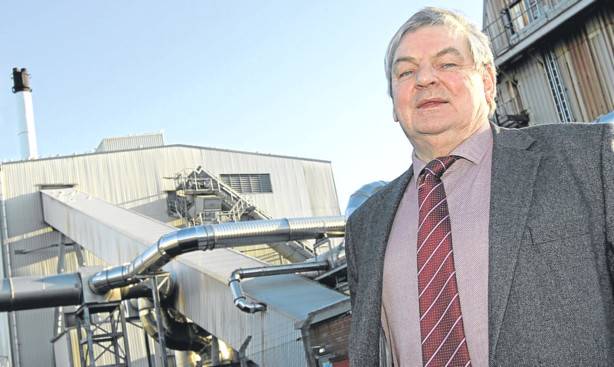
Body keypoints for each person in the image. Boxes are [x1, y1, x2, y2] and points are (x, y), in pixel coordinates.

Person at [345, 7, 614, 367]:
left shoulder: (588, 159)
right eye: (406, 71)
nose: (424, 79)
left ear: (487, 82)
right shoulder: (364, 226)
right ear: (394, 103)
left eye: (447, 64)